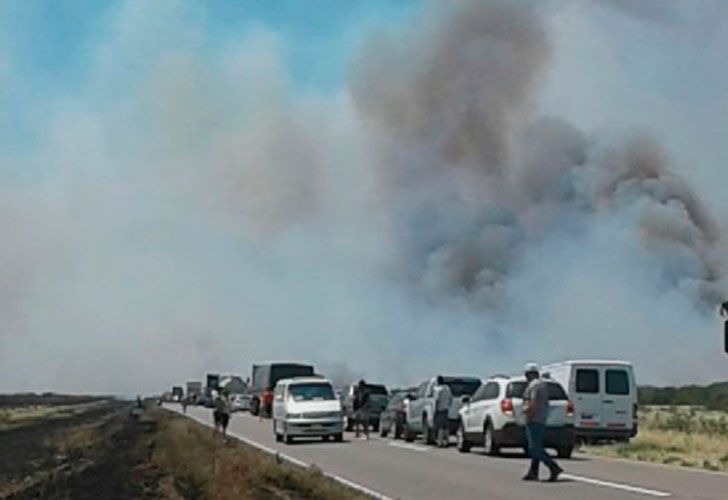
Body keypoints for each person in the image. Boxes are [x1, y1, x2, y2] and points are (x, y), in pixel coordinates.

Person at [522, 363, 563, 482]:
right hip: (541, 418)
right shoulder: (542, 384)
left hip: (534, 419)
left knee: (534, 448)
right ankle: (533, 471)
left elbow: (533, 402)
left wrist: (529, 414)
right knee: (537, 446)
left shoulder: (534, 385)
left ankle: (553, 467)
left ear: (529, 374)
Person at [433, 376, 452, 447]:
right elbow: (450, 399)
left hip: (439, 409)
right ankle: (447, 441)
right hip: (446, 409)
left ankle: (440, 442)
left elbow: (437, 400)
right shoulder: (447, 388)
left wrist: (435, 409)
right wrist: (448, 406)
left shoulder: (437, 389)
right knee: (446, 426)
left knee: (440, 426)